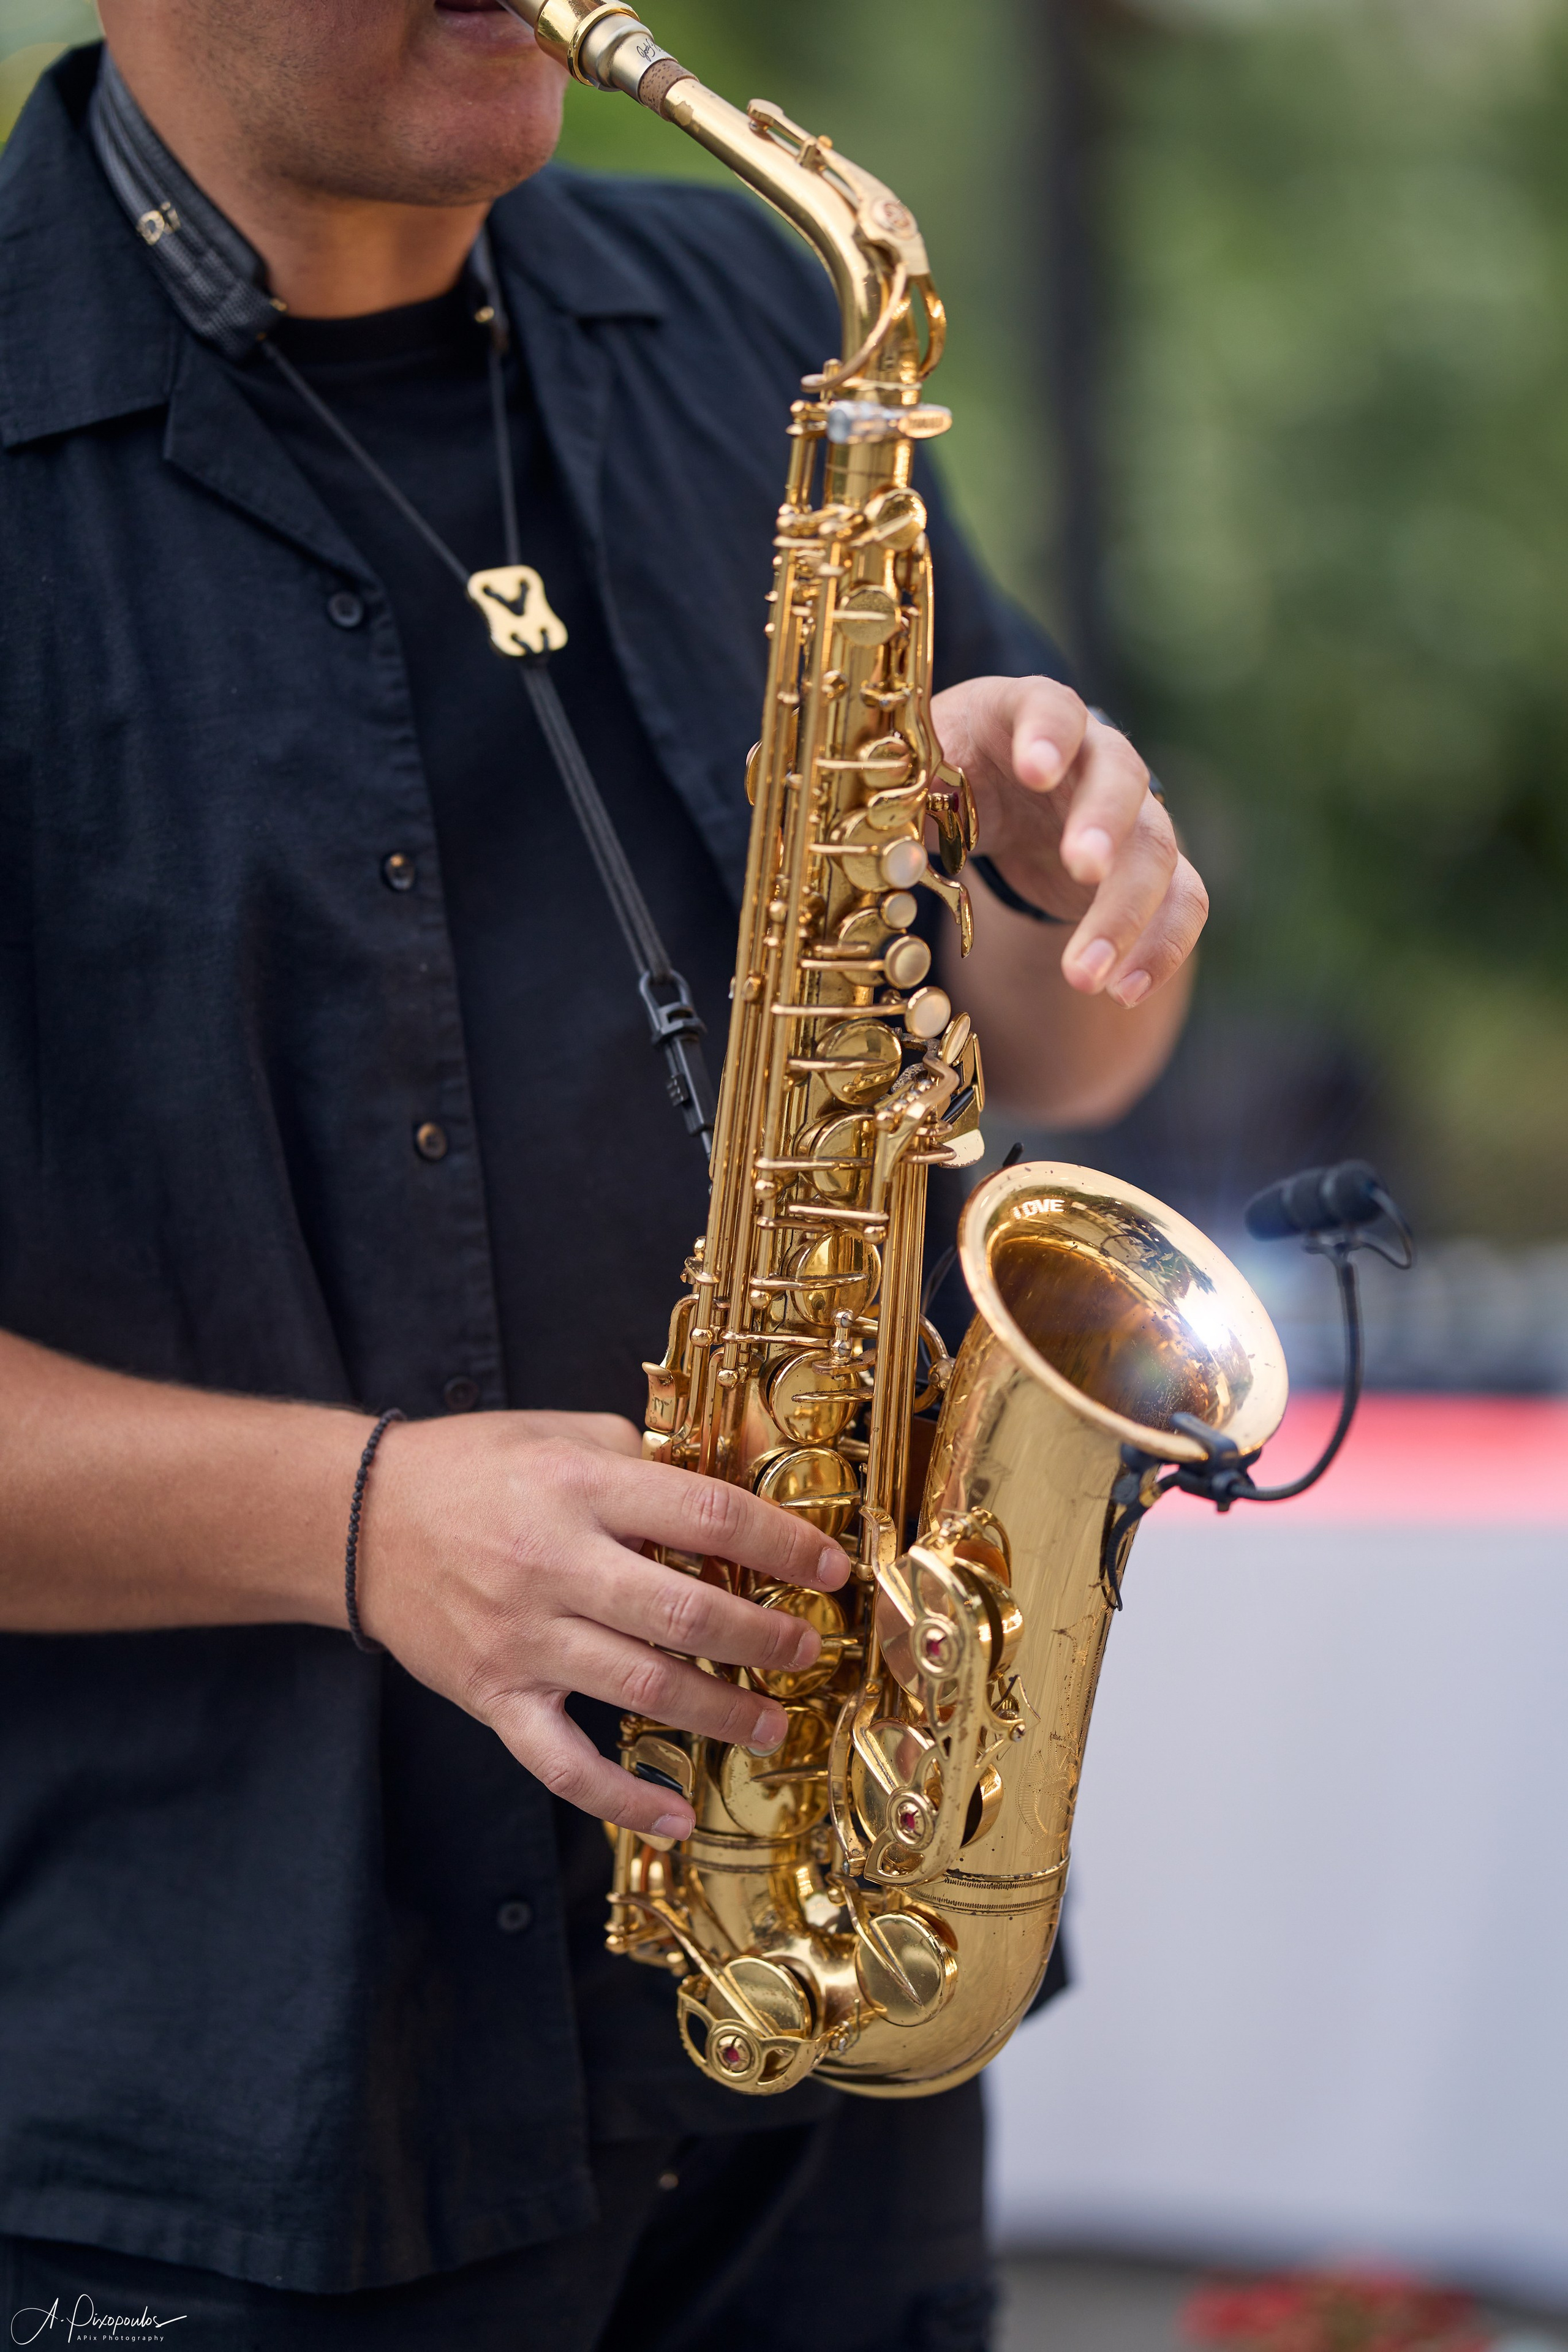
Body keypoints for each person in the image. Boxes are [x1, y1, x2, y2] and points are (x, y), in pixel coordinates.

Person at [0, 6, 1208, 2346]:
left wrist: (1060, 888)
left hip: (829, 1978)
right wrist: (358, 1518)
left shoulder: (756, 317)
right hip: (233, 2118)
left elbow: (1082, 1038)